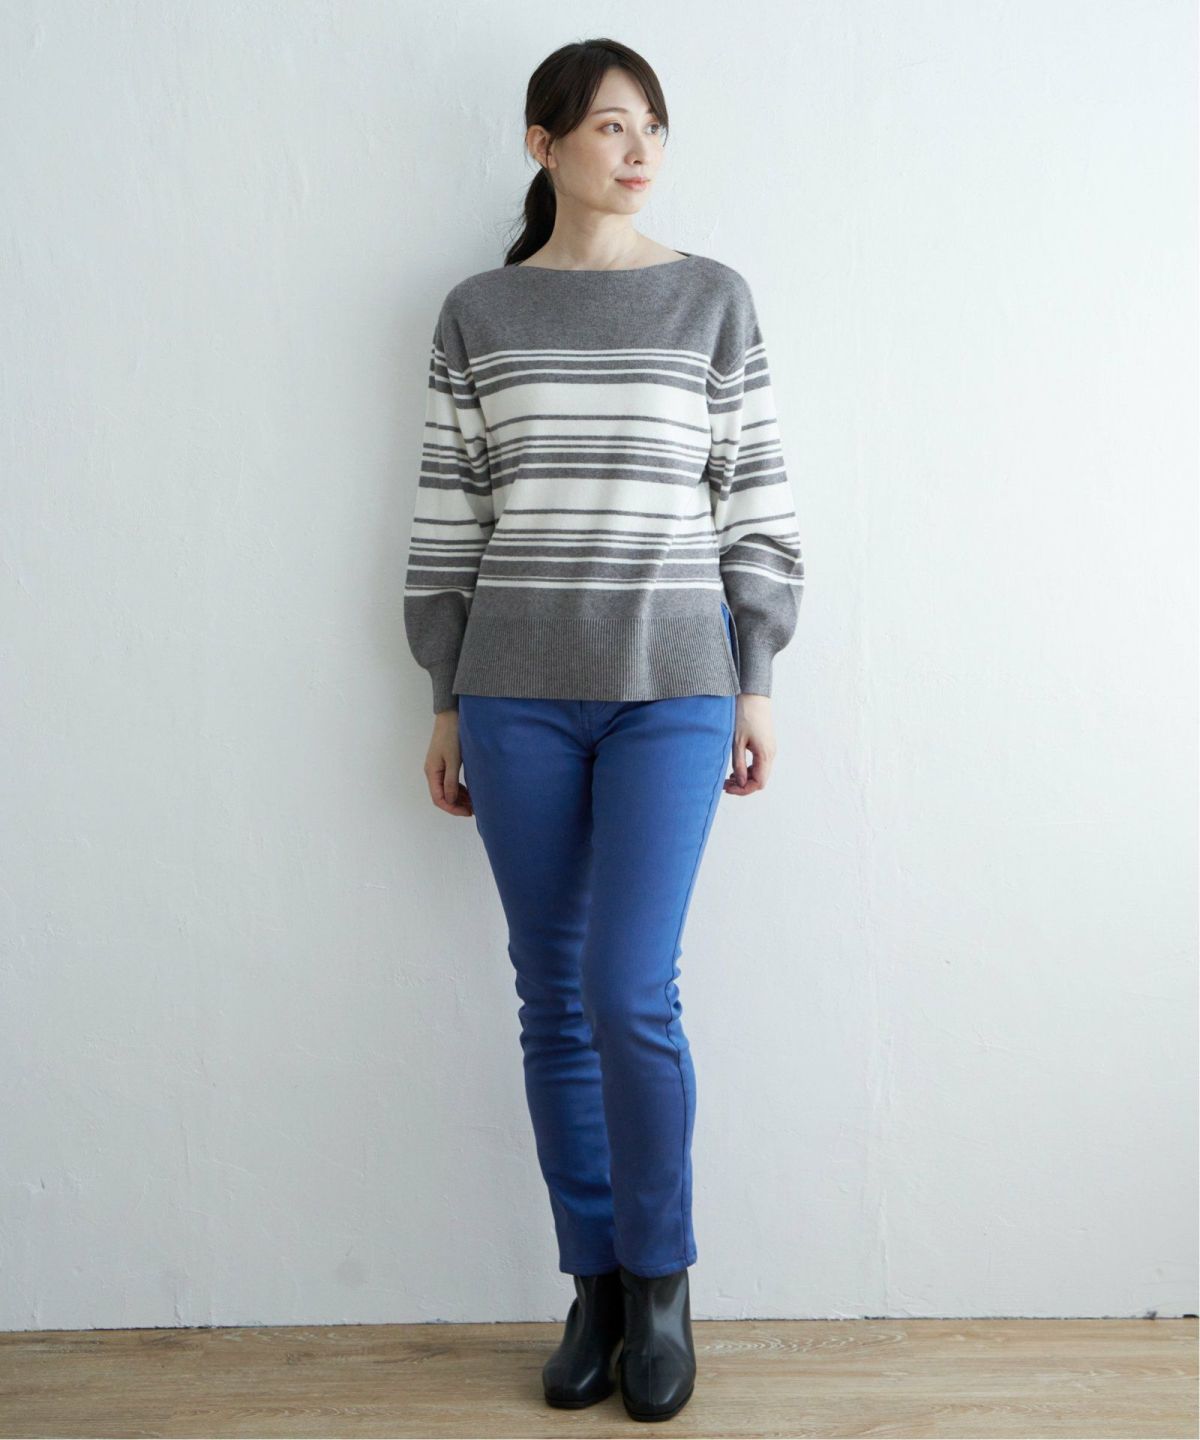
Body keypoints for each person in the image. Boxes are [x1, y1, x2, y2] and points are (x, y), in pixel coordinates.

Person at [402, 37, 805, 1424]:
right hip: (513, 691)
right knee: (552, 997)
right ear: (545, 143)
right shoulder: (479, 311)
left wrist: (757, 676)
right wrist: (443, 696)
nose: (638, 151)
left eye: (652, 128)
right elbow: (450, 510)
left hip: (672, 686)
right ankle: (595, 1289)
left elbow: (756, 494)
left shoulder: (711, 299)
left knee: (630, 990)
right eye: (610, 126)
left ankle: (663, 1283)